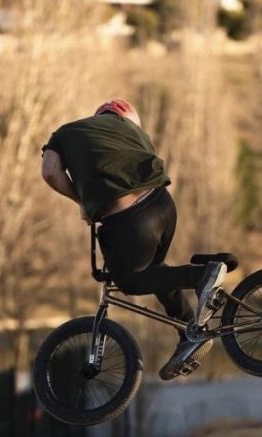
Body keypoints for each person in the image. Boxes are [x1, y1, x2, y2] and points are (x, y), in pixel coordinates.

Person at [41, 98, 226, 380]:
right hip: (164, 206)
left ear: (99, 116)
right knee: (156, 272)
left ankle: (203, 275)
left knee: (131, 281)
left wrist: (82, 202)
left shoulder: (66, 133)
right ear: (128, 121)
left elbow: (50, 172)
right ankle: (190, 331)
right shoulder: (137, 135)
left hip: (131, 221)